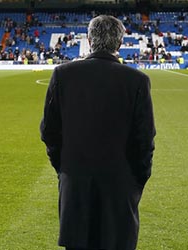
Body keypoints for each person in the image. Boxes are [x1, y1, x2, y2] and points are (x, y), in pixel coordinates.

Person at [40, 15, 156, 250]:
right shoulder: (137, 81)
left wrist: (64, 169)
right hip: (120, 187)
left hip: (75, 185)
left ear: (89, 40)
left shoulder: (63, 75)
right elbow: (144, 139)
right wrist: (137, 179)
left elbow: (49, 132)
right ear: (120, 43)